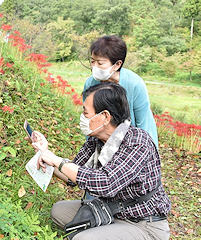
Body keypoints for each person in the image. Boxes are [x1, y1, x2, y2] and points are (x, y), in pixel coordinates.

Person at [32, 83, 171, 240]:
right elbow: (72, 175)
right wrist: (44, 154)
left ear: (104, 117)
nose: (82, 117)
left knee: (82, 239)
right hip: (110, 211)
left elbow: (106, 183)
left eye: (86, 112)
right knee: (58, 211)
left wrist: (57, 161)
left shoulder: (137, 142)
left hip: (144, 224)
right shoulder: (97, 139)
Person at [83, 35, 158, 149]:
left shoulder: (135, 85)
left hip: (132, 143)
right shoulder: (91, 84)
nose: (94, 67)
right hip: (102, 142)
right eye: (92, 61)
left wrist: (142, 150)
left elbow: (143, 123)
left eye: (100, 63)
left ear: (117, 64)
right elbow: (90, 118)